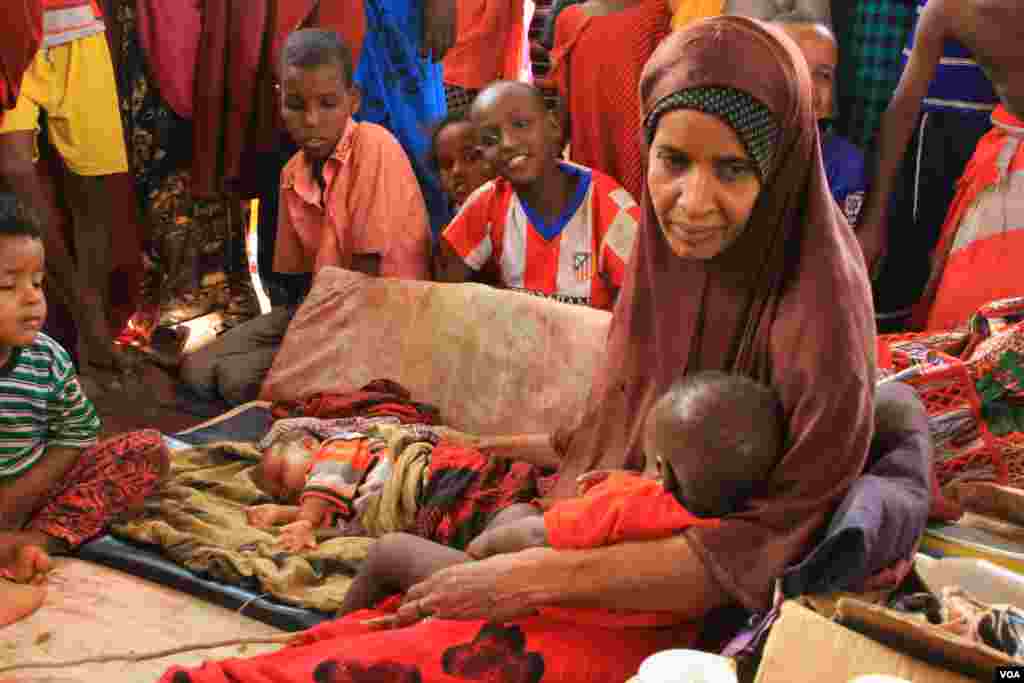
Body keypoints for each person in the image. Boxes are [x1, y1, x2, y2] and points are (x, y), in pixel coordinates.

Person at [160, 18, 879, 683]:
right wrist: (526, 514)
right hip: (600, 550)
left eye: (731, 170)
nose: (691, 201)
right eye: (674, 160)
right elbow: (615, 432)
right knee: (393, 603)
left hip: (696, 609)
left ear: (780, 170)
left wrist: (529, 577)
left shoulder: (819, 314)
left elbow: (765, 550)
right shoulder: (672, 259)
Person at [337, 371, 784, 621]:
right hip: (605, 598)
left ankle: (342, 627)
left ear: (663, 473)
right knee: (511, 509)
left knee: (391, 550)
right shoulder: (725, 522)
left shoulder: (636, 505)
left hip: (522, 591)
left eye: (649, 461)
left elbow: (532, 540)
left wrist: (483, 552)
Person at [180, 29, 432, 407]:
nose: (312, 120)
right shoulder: (291, 174)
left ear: (353, 101)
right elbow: (300, 283)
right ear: (279, 102)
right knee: (196, 370)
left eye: (328, 104)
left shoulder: (374, 146)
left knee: (233, 380)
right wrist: (297, 334)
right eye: (296, 105)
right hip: (323, 315)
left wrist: (302, 347)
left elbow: (363, 282)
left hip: (380, 320)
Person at [0, 199, 170, 620]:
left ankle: (32, 542)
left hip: (33, 498)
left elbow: (76, 436)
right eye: (8, 285)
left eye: (37, 283)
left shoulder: (49, 358)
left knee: (145, 450)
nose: (31, 299)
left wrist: (21, 498)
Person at [0, 0, 137, 386]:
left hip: (76, 24)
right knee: (13, 169)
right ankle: (88, 318)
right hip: (6, 30)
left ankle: (86, 342)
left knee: (95, 184)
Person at [857, 0, 1018, 328]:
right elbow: (902, 108)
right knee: (908, 301)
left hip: (1002, 157)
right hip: (934, 153)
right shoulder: (946, 10)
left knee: (989, 314)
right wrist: (874, 220)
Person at [438, 81, 639, 311]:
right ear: (484, 157)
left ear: (553, 127)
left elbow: (641, 315)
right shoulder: (489, 203)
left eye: (521, 124)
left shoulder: (612, 212)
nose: (508, 143)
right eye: (490, 139)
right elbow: (445, 287)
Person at [775, 15, 866, 228]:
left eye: (823, 75)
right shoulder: (732, 150)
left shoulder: (844, 164)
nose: (809, 86)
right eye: (793, 67)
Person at [428, 111, 496, 213]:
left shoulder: (521, 211)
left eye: (470, 157)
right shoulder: (453, 227)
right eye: (447, 165)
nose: (456, 171)